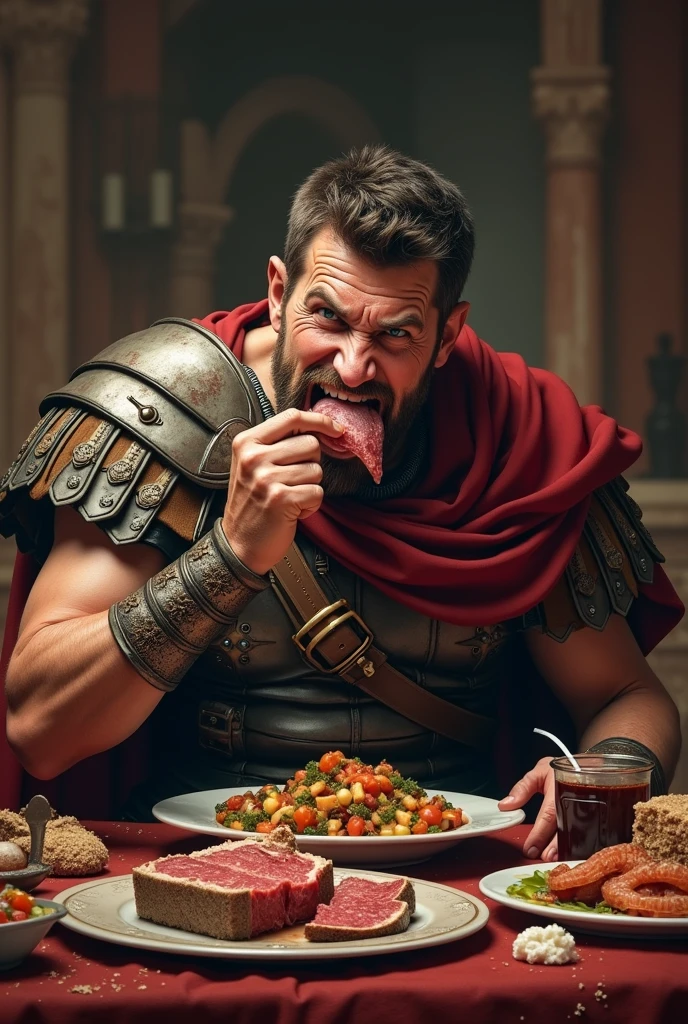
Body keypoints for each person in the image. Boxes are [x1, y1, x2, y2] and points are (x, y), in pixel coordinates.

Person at [0, 146, 682, 861]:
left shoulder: (521, 441)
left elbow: (629, 698)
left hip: (460, 871)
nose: (353, 367)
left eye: (396, 333)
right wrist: (229, 555)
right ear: (276, 291)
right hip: (193, 868)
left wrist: (597, 775)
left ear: (448, 333)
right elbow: (42, 728)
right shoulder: (163, 412)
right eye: (327, 316)